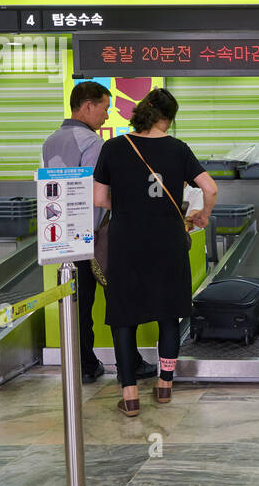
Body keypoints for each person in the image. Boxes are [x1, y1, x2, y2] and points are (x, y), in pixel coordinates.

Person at [93, 88, 217, 416]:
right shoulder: (178, 149)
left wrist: (129, 204)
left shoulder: (114, 147)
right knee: (168, 313)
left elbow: (99, 199)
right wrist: (202, 215)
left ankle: (130, 394)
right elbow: (210, 187)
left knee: (123, 317)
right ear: (168, 118)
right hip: (167, 242)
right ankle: (164, 386)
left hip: (126, 242)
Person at [42, 80, 156, 385]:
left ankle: (85, 364)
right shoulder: (92, 143)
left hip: (62, 232)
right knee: (119, 299)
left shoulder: (51, 140)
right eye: (104, 109)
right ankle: (128, 363)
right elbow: (100, 191)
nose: (106, 116)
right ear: (88, 106)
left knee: (78, 302)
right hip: (96, 233)